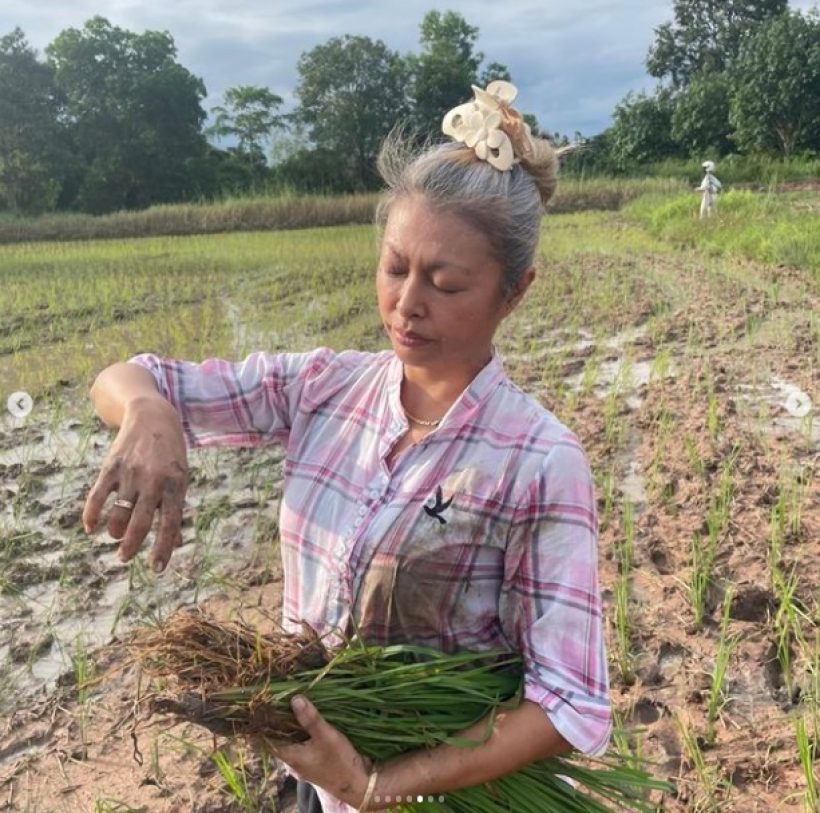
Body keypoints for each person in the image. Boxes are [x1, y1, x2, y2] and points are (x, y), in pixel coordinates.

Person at [83, 80, 611, 813]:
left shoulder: (537, 462)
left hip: (429, 798)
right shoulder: (323, 387)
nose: (406, 303)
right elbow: (131, 376)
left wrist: (374, 783)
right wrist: (146, 409)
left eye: (445, 282)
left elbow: (569, 703)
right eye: (395, 267)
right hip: (310, 787)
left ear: (514, 291)